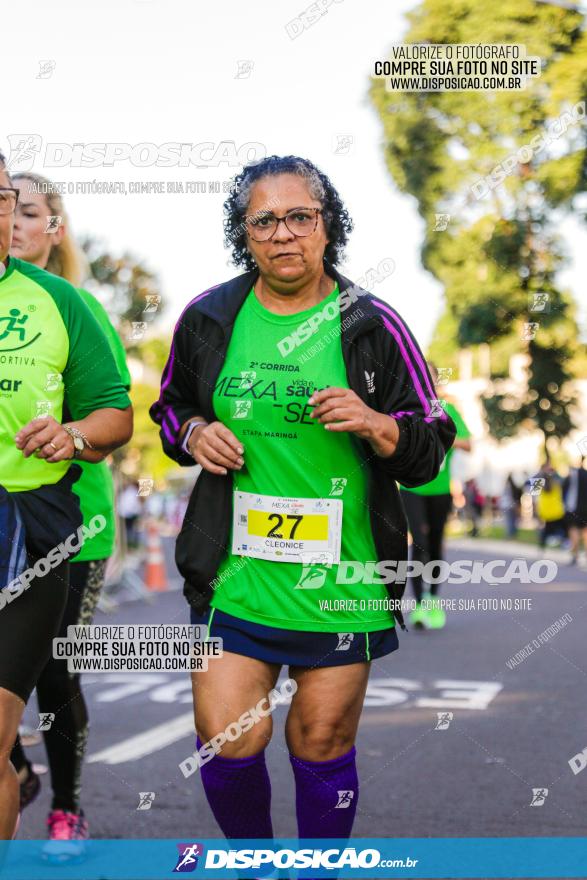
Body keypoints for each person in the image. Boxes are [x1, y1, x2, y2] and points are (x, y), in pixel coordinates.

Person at [150, 155, 456, 846]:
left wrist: (380, 426)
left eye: (299, 217)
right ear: (244, 234)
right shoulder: (209, 317)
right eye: (264, 221)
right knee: (229, 739)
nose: (283, 234)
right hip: (236, 575)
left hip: (343, 580)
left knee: (319, 741)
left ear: (326, 226)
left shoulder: (373, 325)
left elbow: (430, 441)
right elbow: (168, 410)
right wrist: (195, 431)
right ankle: (252, 861)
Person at [0, 151, 133, 841]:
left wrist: (73, 438)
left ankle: (66, 804)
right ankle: (16, 768)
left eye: (25, 211)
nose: (13, 222)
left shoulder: (71, 308)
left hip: (67, 523)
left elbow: (112, 416)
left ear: (54, 228)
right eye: (7, 205)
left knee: (52, 670)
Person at [399, 365, 471, 630]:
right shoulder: (405, 407)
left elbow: (468, 443)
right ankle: (419, 604)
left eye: (428, 374)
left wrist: (440, 437)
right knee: (418, 543)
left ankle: (433, 601)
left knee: (436, 543)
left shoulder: (445, 409)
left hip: (440, 489)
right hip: (411, 487)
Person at [533, 461, 566, 548]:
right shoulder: (555, 479)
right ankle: (556, 543)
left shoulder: (539, 480)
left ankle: (544, 545)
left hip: (549, 510)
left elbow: (534, 496)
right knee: (554, 529)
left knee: (548, 530)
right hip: (554, 510)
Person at [563, 456, 587, 564]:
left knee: (574, 530)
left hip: (574, 508)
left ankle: (575, 555)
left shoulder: (572, 475)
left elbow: (564, 491)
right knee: (585, 530)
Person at [500, 474, 522, 539]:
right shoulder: (513, 486)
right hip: (511, 506)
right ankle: (513, 534)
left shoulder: (507, 487)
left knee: (509, 521)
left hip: (507, 505)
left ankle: (510, 535)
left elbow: (505, 497)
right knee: (513, 521)